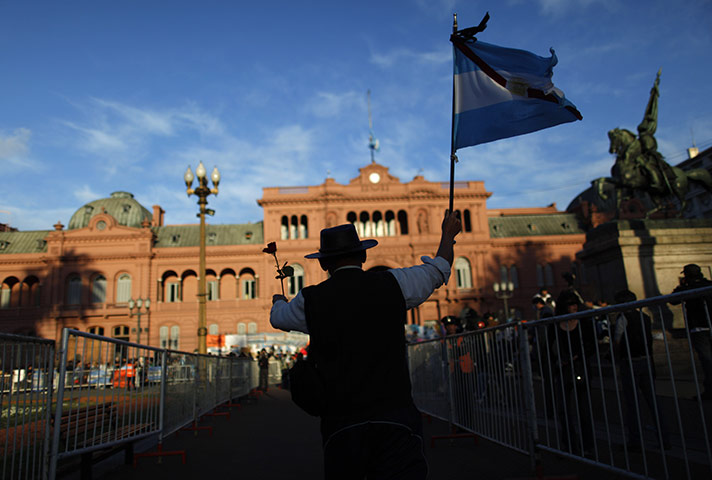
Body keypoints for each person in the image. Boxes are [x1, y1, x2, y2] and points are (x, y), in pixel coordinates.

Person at [270, 210, 461, 479]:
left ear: (324, 265)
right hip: (395, 416)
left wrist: (279, 300)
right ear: (363, 256)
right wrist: (447, 235)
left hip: (342, 423)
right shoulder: (395, 283)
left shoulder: (310, 299)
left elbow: (278, 318)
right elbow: (439, 269)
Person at [613, 289, 670, 451]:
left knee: (632, 403)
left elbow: (618, 340)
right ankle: (664, 439)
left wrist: (616, 355)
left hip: (630, 361)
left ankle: (635, 440)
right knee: (653, 401)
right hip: (646, 360)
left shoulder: (623, 318)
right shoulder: (645, 317)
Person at [549, 290, 596, 455]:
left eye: (575, 304)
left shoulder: (584, 323)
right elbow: (549, 348)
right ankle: (568, 443)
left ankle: (588, 446)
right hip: (563, 370)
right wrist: (557, 360)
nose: (574, 307)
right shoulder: (555, 324)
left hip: (580, 367)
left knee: (584, 410)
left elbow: (591, 345)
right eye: (570, 305)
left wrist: (578, 356)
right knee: (563, 411)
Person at [669, 264, 712, 401]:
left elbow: (673, 299)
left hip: (698, 327)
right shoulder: (708, 284)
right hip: (708, 324)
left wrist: (682, 285)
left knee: (707, 361)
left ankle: (710, 390)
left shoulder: (687, 288)